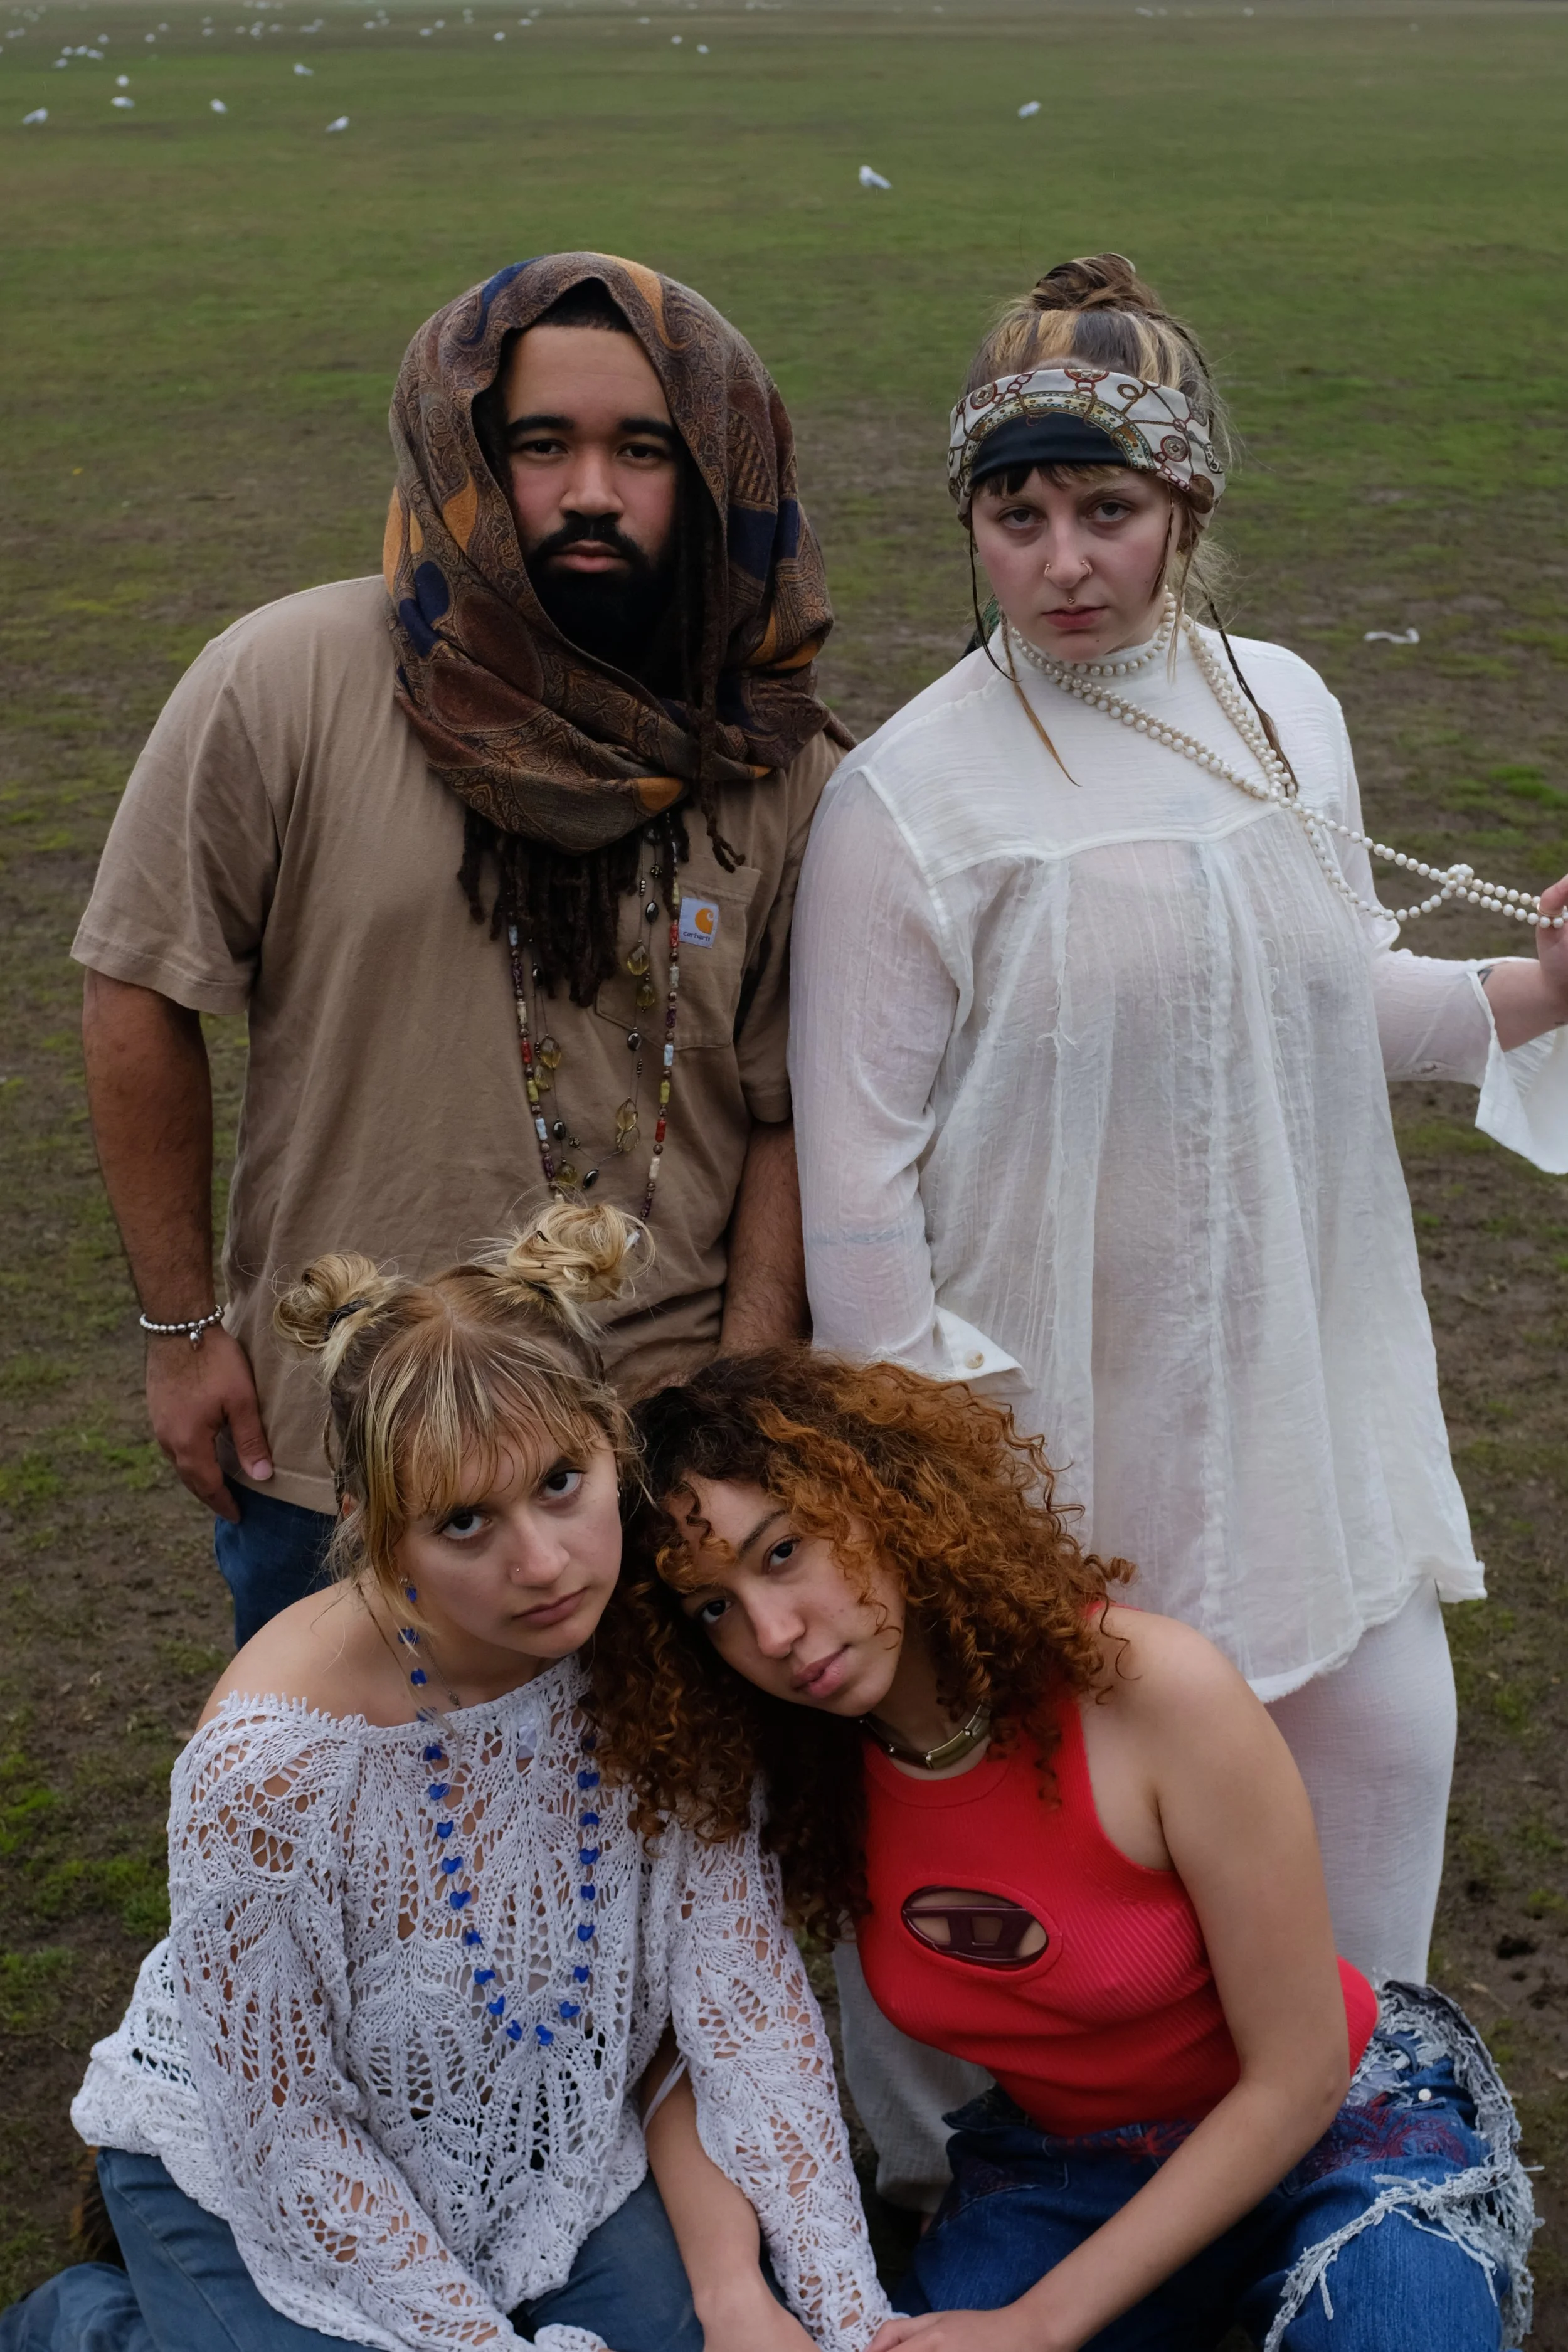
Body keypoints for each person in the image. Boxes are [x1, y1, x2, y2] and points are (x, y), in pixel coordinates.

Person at [787, 252, 1568, 2022]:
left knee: (1374, 1806)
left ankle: (1362, 2168)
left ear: (1185, 503)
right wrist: (947, 1513)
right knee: (1083, 1917)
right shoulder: (905, 796)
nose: (1061, 561)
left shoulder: (1285, 704)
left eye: (1106, 508)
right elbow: (856, 1200)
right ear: (969, 522)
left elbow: (1323, 1004)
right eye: (1017, 511)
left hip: (1303, 1412)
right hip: (1051, 1441)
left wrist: (1535, 991)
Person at [75, 251, 844, 1646]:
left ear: (718, 471)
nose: (591, 491)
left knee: (656, 1862)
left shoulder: (777, 760)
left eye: (643, 449)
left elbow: (790, 1104)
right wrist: (183, 1333)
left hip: (647, 1465)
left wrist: (743, 1398)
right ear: (464, 455)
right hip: (341, 1453)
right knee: (355, 1853)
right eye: (541, 445)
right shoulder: (286, 682)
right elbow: (138, 984)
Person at [0, 1207, 887, 2352]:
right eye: (464, 1520)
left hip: (549, 2153)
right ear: (376, 1533)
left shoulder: (666, 1651)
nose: (544, 1561)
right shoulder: (270, 1765)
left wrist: (850, 2316)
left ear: (611, 1444)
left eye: (564, 1481)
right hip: (261, 2180)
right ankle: (90, 2324)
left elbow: (743, 2008)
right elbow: (287, 2132)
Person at [592, 1349, 1535, 2352]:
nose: (773, 1630)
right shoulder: (800, 1781)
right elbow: (694, 2033)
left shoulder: (1148, 1691)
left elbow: (1299, 2074)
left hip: (1337, 2134)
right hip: (1070, 2168)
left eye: (782, 1551)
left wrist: (1041, 2322)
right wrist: (731, 2290)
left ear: (884, 1497)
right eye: (713, 1607)